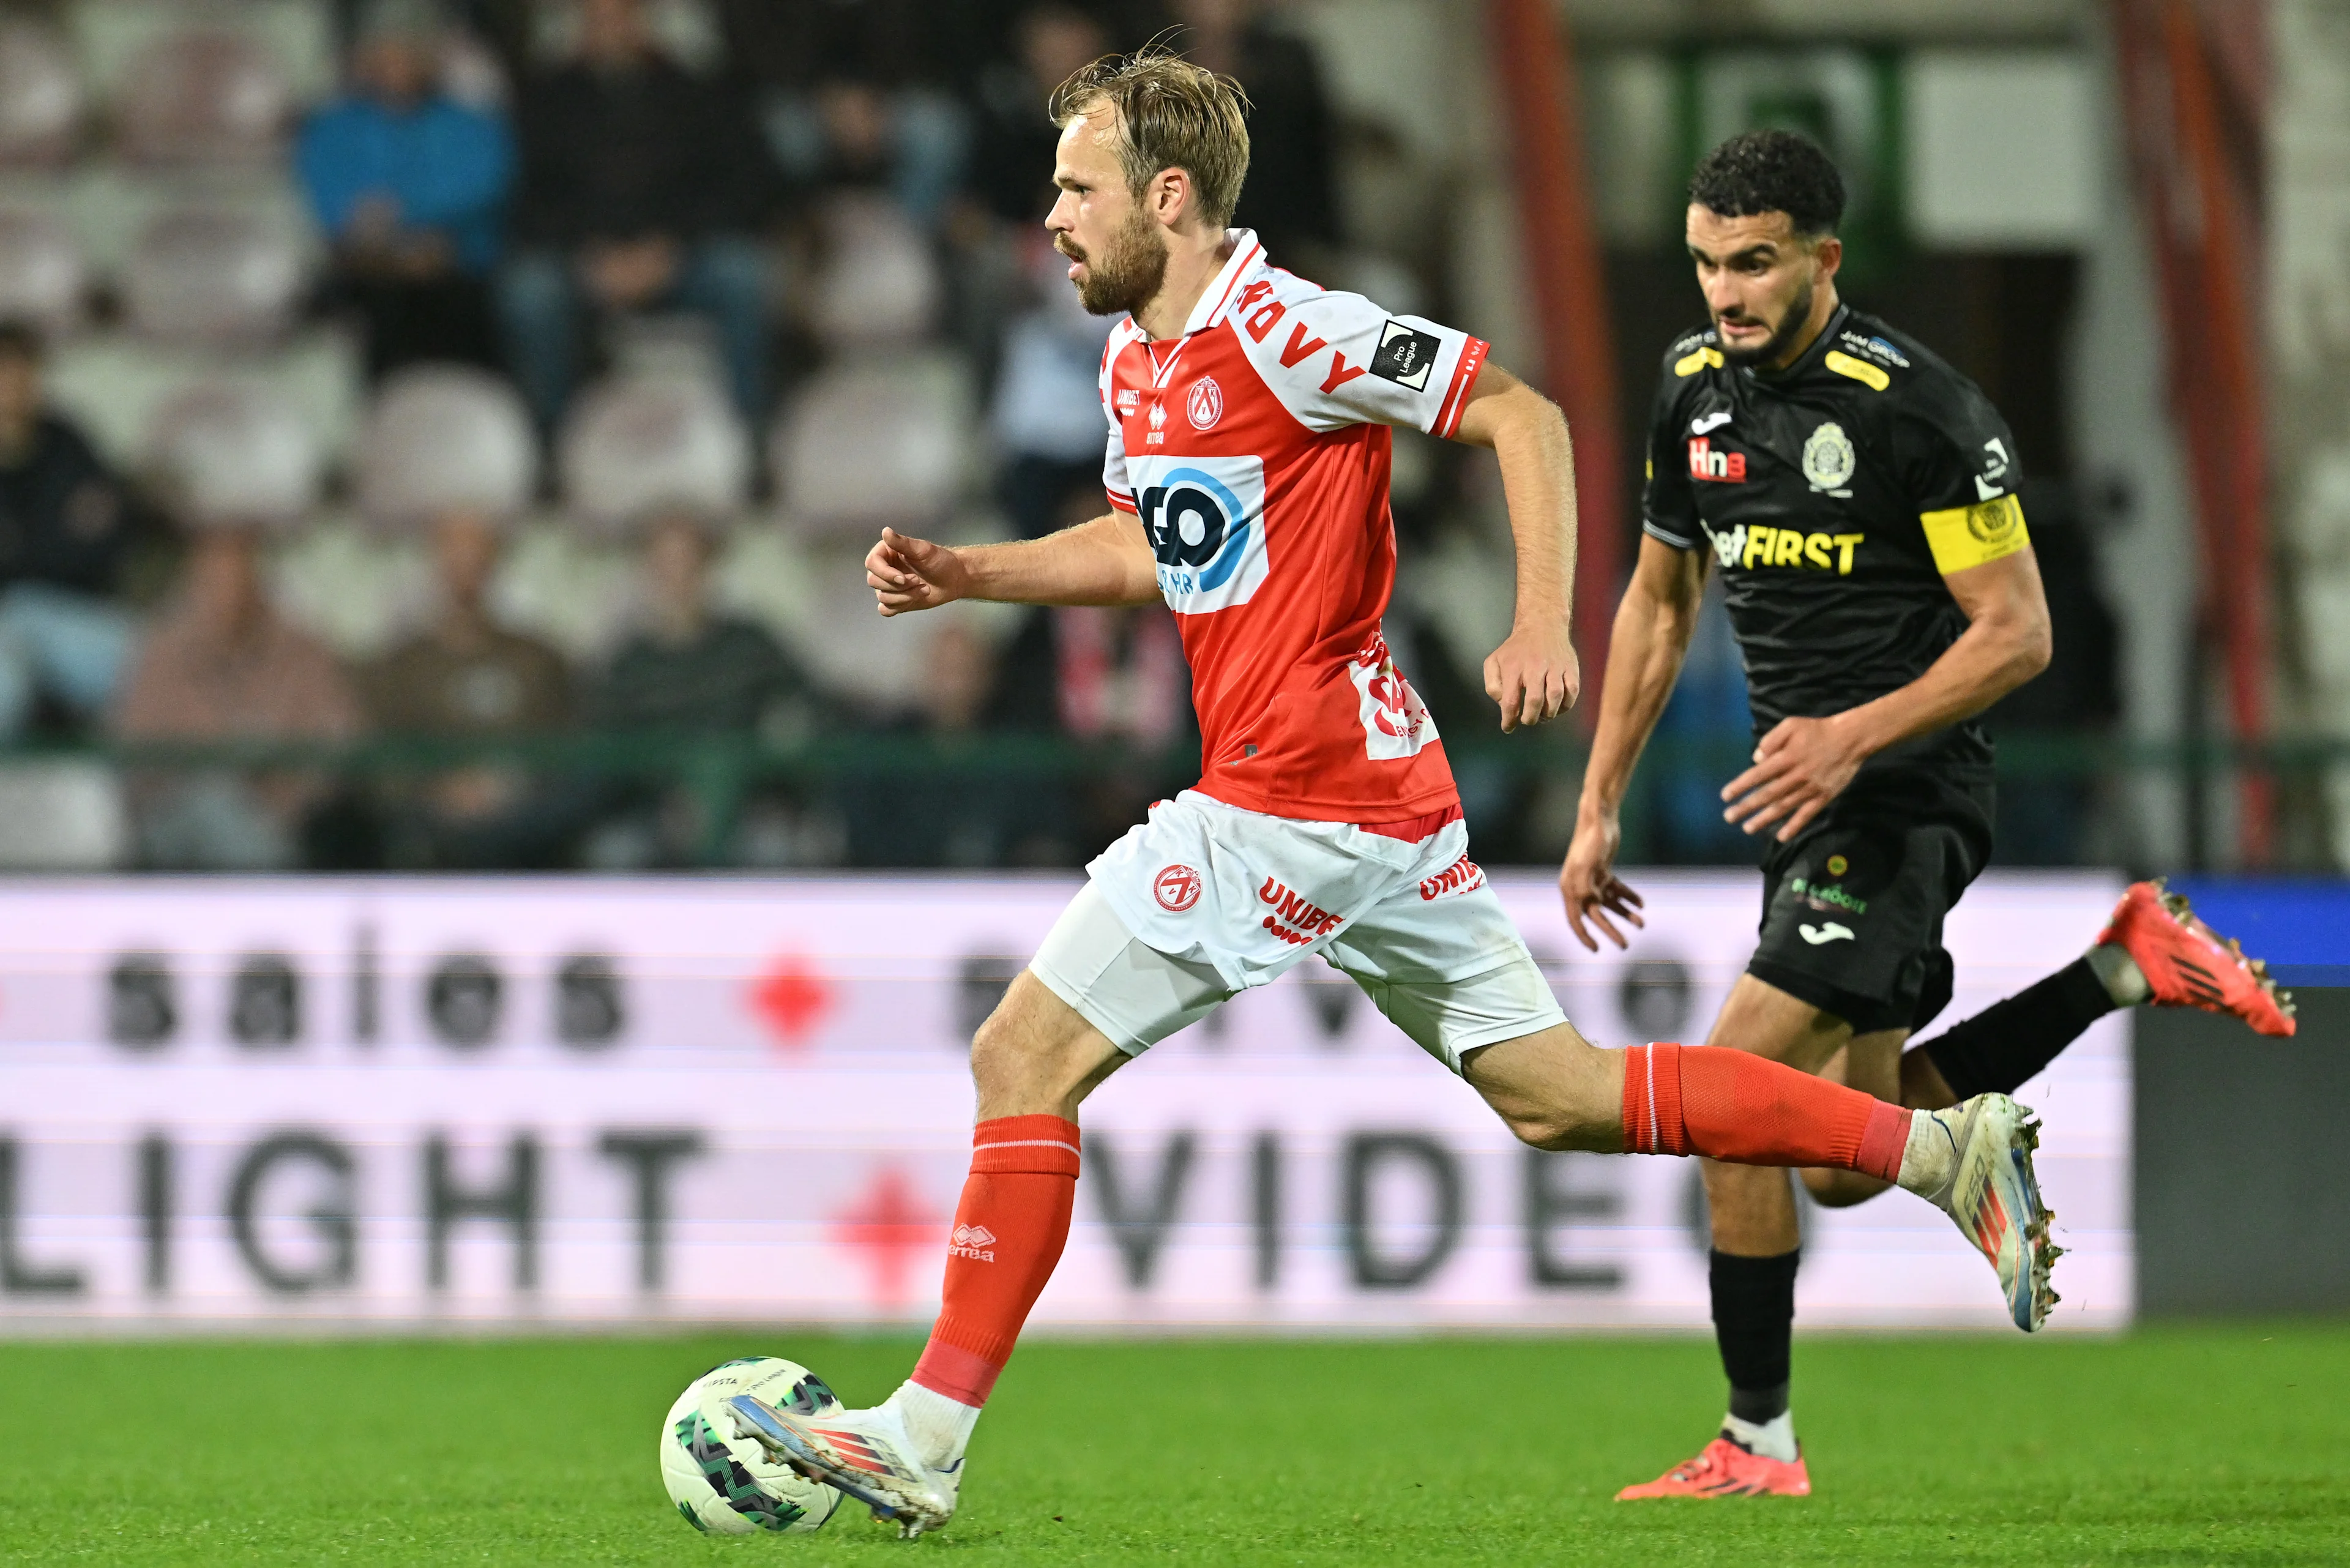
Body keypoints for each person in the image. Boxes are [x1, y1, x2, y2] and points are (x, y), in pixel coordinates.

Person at [716, 53, 2057, 1539]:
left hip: (1288, 800)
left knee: (1017, 1057)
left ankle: (919, 1437)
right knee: (1560, 1099)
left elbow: (1521, 415)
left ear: (1167, 198)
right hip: (1372, 803)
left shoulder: (1292, 327)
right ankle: (1938, 1148)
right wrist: (976, 576)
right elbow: (1153, 545)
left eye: (1074, 189)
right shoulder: (1135, 361)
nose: (1050, 218)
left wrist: (1539, 615)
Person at [1557, 129, 2295, 1502]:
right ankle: (2125, 963)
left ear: (1824, 260)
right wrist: (1595, 802)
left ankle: (1756, 1443)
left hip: (1903, 797)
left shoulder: (1917, 411)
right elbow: (1660, 601)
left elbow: (2016, 635)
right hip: (1808, 807)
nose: (1726, 291)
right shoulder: (1689, 388)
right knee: (1840, 1154)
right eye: (1708, 261)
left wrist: (1851, 733)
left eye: (1756, 262)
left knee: (1730, 1103)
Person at [498, 0, 780, 429]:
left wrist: (669, 247)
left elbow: (740, 185)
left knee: (744, 274)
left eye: (620, 17)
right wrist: (590, 253)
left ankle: (752, 434)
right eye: (597, 19)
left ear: (645, 22)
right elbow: (528, 198)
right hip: (584, 260)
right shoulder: (545, 98)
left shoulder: (696, 90)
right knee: (529, 292)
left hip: (680, 256)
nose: (609, 29)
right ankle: (551, 442)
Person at [114, 527, 362, 868]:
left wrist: (273, 798)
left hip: (279, 823)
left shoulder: (301, 650)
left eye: (237, 580)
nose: (225, 595)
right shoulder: (162, 651)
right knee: (212, 801)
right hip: (175, 822)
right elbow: (134, 751)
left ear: (258, 585)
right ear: (194, 585)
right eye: (213, 582)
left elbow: (339, 740)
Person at [296, 0, 512, 381]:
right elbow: (336, 209)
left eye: (406, 52)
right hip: (368, 270)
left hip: (455, 269)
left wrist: (406, 213)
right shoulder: (332, 128)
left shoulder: (470, 124)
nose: (395, 64)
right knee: (368, 312)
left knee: (471, 311)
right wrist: (393, 247)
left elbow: (483, 188)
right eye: (384, 52)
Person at [359, 506, 569, 865]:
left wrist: (506, 786)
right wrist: (440, 789)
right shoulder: (400, 665)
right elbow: (381, 759)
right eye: (454, 550)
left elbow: (566, 750)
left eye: (477, 551)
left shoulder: (538, 659)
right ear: (434, 561)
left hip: (524, 827)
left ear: (496, 560)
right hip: (428, 826)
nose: (466, 566)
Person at [0, 321, 140, 739]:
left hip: (64, 618)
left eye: (23, 368)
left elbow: (107, 544)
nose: (13, 383)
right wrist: (54, 537)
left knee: (155, 663)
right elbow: (72, 544)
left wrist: (18, 549)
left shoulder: (67, 441)